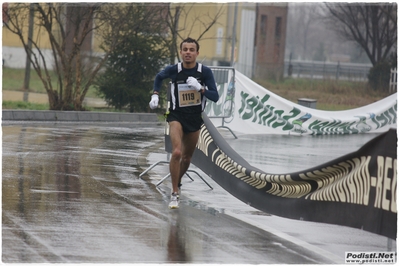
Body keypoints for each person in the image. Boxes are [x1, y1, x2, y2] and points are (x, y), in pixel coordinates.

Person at [149, 37, 219, 209]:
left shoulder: (205, 72)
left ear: (197, 53)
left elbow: (215, 97)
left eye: (191, 50)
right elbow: (159, 77)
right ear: (181, 52)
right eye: (185, 49)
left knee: (187, 158)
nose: (188, 52)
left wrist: (201, 88)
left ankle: (176, 182)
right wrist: (155, 94)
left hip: (194, 117)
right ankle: (174, 193)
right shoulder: (175, 70)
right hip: (176, 115)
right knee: (177, 153)